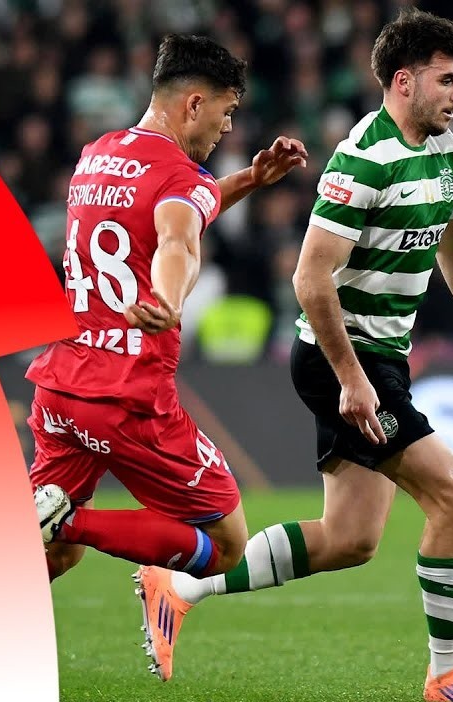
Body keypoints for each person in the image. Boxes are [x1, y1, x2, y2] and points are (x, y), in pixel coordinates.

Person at [133, 8, 453, 702]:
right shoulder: (361, 161)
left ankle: (178, 584)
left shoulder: (445, 151)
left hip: (381, 362)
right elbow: (309, 278)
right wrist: (352, 378)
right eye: (447, 79)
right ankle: (449, 671)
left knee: (349, 540)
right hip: (340, 359)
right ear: (404, 82)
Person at [28, 33, 307, 614]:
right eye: (226, 111)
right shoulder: (180, 176)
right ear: (194, 103)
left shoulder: (97, 154)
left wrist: (249, 179)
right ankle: (65, 518)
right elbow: (177, 239)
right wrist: (170, 298)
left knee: (51, 556)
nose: (227, 127)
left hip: (61, 386)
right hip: (126, 397)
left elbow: (173, 207)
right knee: (226, 545)